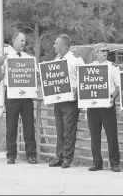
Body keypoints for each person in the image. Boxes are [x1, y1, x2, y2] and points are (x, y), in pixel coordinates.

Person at [0, 32, 38, 165]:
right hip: (12, 96)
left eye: (25, 41)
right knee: (11, 125)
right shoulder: (6, 58)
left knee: (29, 126)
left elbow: (35, 74)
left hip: (26, 96)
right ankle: (11, 155)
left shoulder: (29, 58)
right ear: (14, 41)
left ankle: (31, 155)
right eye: (21, 40)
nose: (24, 43)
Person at [48, 34, 85, 169]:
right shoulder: (56, 58)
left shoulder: (76, 60)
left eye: (56, 43)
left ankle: (67, 158)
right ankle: (59, 156)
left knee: (68, 130)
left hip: (70, 100)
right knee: (60, 129)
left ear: (63, 45)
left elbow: (84, 78)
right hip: (58, 99)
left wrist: (77, 91)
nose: (54, 46)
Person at [87, 43, 121, 172]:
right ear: (96, 53)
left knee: (112, 135)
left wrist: (114, 96)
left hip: (108, 106)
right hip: (93, 107)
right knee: (94, 136)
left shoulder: (113, 67)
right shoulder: (89, 68)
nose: (105, 52)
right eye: (102, 51)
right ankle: (97, 163)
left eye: (107, 51)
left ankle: (114, 163)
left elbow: (118, 85)